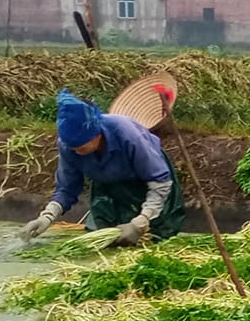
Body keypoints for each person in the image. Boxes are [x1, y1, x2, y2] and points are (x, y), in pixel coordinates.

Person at [19, 89, 186, 245]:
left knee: (155, 239)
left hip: (145, 183)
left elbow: (159, 182)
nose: (78, 152)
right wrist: (47, 216)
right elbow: (67, 188)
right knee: (106, 239)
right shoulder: (69, 146)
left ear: (97, 134)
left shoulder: (128, 135)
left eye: (82, 147)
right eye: (73, 148)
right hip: (109, 186)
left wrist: (142, 220)